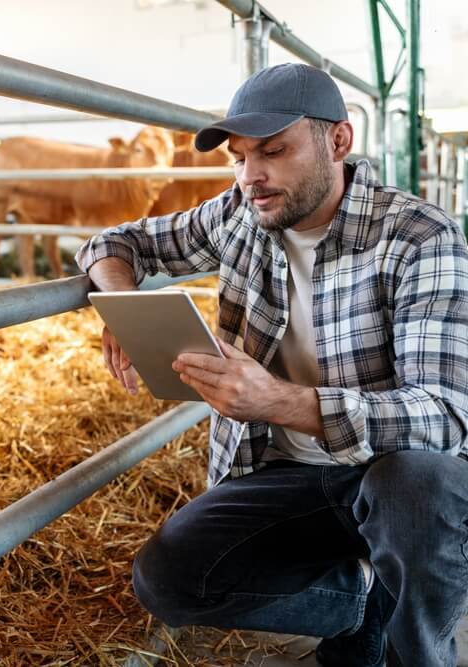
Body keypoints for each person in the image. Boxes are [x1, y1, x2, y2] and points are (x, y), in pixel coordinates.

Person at [75, 62, 468, 667]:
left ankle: (418, 650)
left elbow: (444, 418)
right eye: (238, 157)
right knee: (170, 579)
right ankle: (356, 601)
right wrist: (123, 305)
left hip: (387, 475)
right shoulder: (241, 212)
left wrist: (275, 399)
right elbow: (114, 242)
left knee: (421, 488)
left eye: (274, 151)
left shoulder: (419, 235)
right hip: (281, 472)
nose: (250, 175)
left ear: (338, 141)